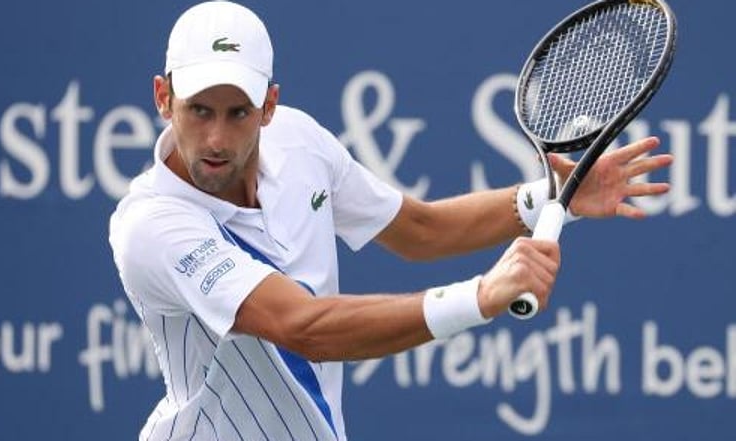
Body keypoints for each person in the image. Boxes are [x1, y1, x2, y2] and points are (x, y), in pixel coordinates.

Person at [108, 2, 673, 440]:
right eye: (199, 110)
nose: (215, 138)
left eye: (238, 114)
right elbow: (306, 328)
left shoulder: (300, 142)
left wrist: (548, 198)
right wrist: (480, 296)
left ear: (270, 106)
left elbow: (420, 231)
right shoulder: (152, 226)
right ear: (164, 98)